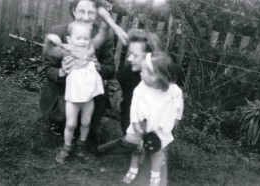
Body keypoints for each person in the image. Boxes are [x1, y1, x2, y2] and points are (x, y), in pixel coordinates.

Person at [39, 0, 127, 149]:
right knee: (66, 119)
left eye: (91, 12)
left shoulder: (101, 38)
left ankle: (84, 129)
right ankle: (59, 119)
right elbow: (48, 67)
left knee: (86, 123)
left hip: (89, 89)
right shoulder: (60, 32)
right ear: (73, 10)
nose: (86, 17)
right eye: (81, 11)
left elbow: (111, 70)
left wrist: (97, 66)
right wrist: (61, 71)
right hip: (65, 87)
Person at [44, 20, 108, 163]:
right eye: (78, 38)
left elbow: (101, 37)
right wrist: (49, 41)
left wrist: (104, 26)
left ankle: (81, 146)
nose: (82, 41)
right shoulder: (67, 51)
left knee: (85, 123)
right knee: (71, 124)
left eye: (86, 38)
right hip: (73, 98)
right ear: (69, 39)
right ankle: (66, 148)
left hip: (88, 99)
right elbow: (48, 51)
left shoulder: (90, 50)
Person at [122, 52, 184, 186]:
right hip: (141, 124)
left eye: (144, 71)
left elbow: (178, 107)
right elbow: (135, 106)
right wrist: (135, 122)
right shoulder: (141, 87)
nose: (141, 73)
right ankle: (133, 169)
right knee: (137, 149)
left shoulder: (174, 91)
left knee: (157, 152)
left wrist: (176, 120)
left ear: (157, 76)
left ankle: (155, 176)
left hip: (160, 126)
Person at [117, 29, 184, 135]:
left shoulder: (172, 73)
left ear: (151, 55)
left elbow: (175, 102)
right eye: (129, 54)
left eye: (135, 55)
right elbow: (128, 109)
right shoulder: (125, 75)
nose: (129, 59)